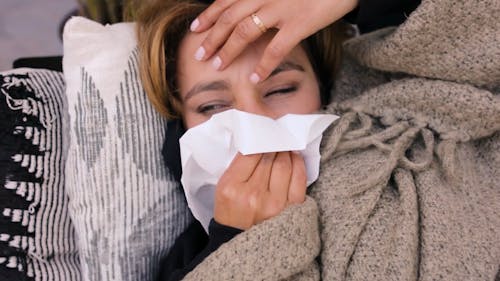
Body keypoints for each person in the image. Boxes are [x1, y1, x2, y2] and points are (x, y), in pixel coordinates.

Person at [137, 0, 500, 280]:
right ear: (181, 126)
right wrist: (238, 242)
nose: (256, 126)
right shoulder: (190, 262)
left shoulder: (401, 123)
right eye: (213, 106)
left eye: (281, 89)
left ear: (324, 85)